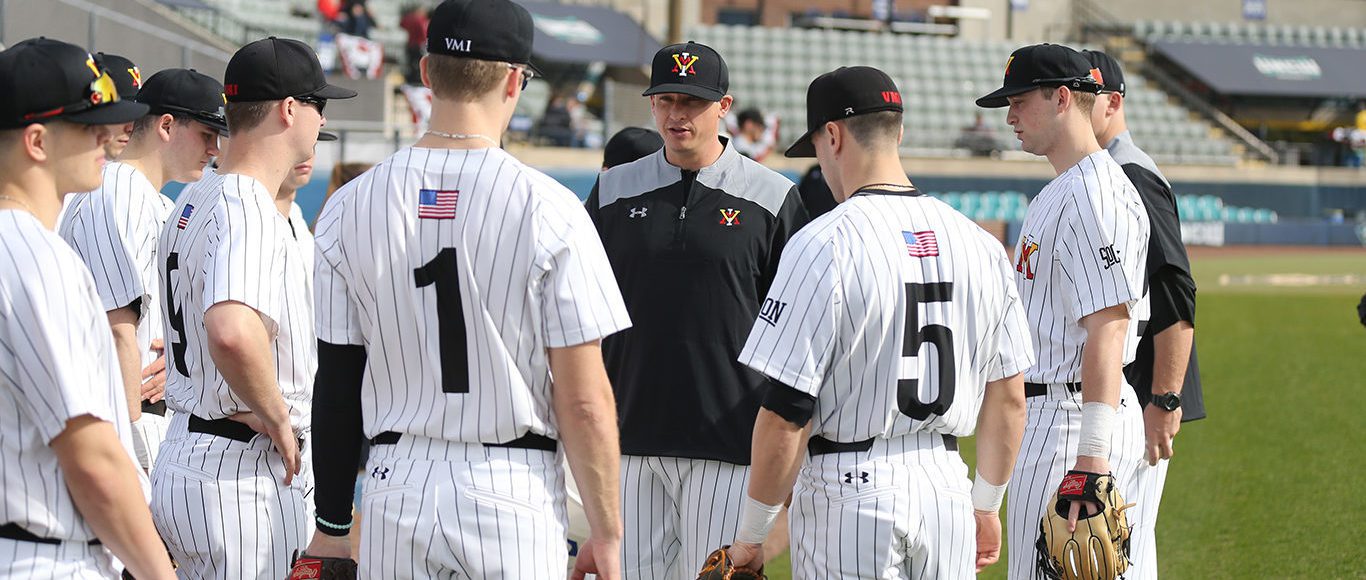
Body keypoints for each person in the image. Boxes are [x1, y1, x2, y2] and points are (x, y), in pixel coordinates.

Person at [296, 0, 630, 577]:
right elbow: (583, 398)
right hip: (510, 488)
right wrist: (606, 530)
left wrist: (329, 524)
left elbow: (338, 379)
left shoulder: (347, 205)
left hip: (393, 483)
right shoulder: (550, 207)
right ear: (513, 80)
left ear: (425, 73)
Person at [722, 65, 1031, 578]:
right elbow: (1010, 396)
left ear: (834, 136)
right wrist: (986, 504)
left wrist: (752, 536)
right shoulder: (980, 243)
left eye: (818, 147)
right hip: (945, 485)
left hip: (851, 489)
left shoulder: (822, 243)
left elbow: (784, 415)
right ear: (899, 131)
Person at [584, 40, 809, 579]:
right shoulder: (613, 190)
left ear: (723, 107)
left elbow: (801, 330)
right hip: (628, 439)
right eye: (664, 99)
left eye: (692, 101)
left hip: (729, 443)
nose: (676, 113)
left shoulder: (773, 196)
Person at [149, 36, 355, 579]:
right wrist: (279, 419)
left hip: (192, 452)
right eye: (319, 106)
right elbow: (232, 331)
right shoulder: (248, 204)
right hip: (237, 472)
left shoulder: (197, 193)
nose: (319, 123)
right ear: (290, 110)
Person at [974, 43, 1151, 579]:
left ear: (1061, 98)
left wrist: (1092, 458)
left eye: (1020, 100)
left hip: (1073, 423)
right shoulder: (1061, 190)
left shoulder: (1095, 194)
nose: (1009, 116)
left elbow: (1110, 324)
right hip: (1051, 416)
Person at [0, 37, 174, 578]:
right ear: (36, 141)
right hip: (45, 555)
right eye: (87, 124)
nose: (108, 135)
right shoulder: (36, 257)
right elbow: (93, 457)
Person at [59, 67, 227, 475]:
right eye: (207, 134)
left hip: (151, 412)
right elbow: (118, 329)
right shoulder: (118, 190)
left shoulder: (158, 203)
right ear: (166, 125)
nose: (215, 149)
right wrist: (125, 441)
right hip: (121, 418)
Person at [1086, 49, 1205, 579]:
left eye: (1085, 99)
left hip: (1140, 394)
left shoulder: (1131, 175)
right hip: (1130, 390)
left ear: (1113, 102)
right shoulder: (1108, 173)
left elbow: (1175, 291)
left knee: (1121, 549)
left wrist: (1165, 398)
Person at [399, 3, 429, 85]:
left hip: (410, 44)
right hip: (418, 45)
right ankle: (417, 80)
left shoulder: (409, 18)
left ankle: (410, 79)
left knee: (410, 63)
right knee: (419, 63)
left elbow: (401, 24)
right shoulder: (421, 20)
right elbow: (424, 33)